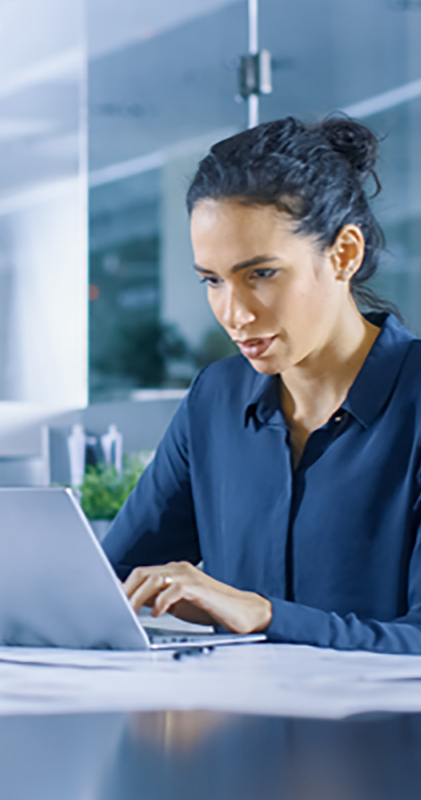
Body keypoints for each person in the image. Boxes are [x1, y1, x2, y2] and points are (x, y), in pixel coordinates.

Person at [102, 115, 421, 654]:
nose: (234, 314)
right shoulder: (216, 401)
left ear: (344, 254)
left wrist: (265, 615)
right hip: (240, 729)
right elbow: (113, 579)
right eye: (212, 280)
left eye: (262, 274)